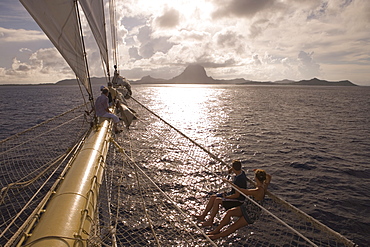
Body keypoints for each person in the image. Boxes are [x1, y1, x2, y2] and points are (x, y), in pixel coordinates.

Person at [207, 169, 271, 240]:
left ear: (256, 178)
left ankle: (215, 237)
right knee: (230, 212)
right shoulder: (264, 186)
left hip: (251, 214)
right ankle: (216, 230)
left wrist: (229, 182)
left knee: (233, 227)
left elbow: (241, 191)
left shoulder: (258, 191)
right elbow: (269, 177)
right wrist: (260, 172)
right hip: (246, 207)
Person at [194, 160, 247, 226]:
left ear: (233, 168)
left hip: (238, 199)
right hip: (232, 193)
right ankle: (203, 216)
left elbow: (237, 195)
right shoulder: (241, 173)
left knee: (217, 200)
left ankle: (210, 221)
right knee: (213, 197)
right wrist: (231, 169)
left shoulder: (239, 180)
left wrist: (226, 197)